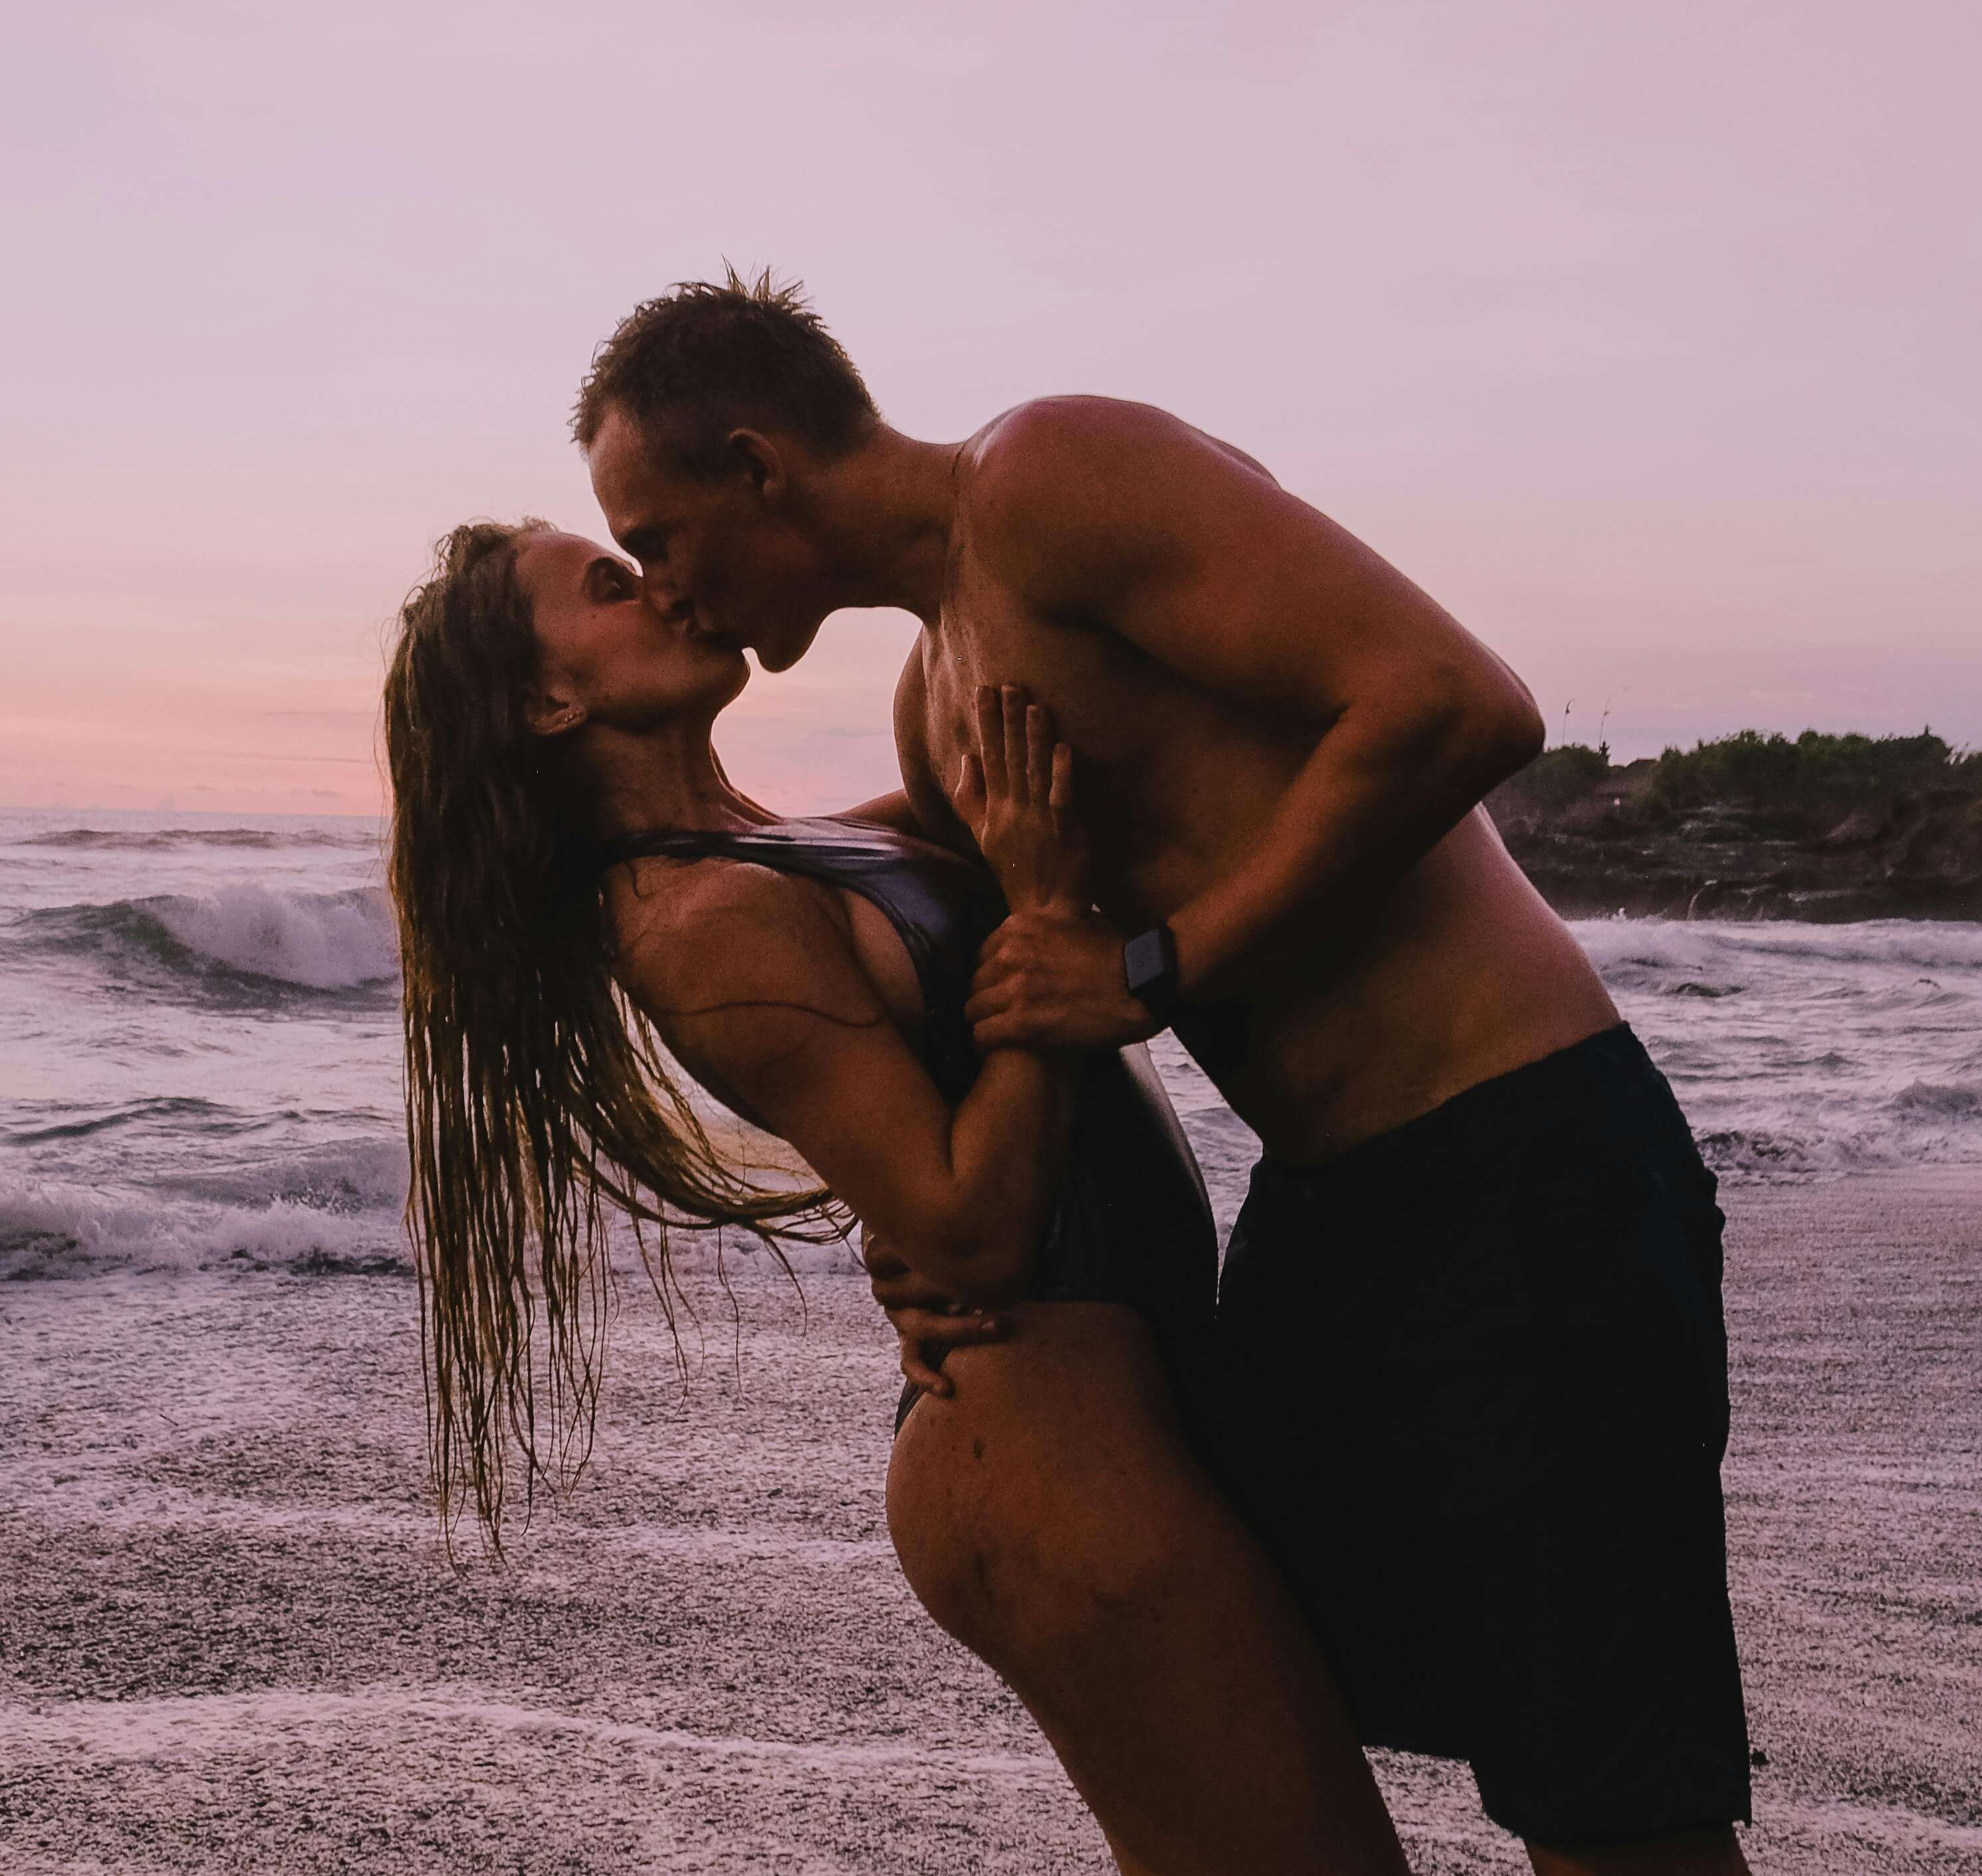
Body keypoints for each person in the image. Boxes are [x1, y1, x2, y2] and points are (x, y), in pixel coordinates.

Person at [575, 275, 1753, 1876]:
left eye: (654, 536)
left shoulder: (1053, 477)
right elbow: (861, 904)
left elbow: (1457, 701)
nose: (666, 586)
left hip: (1516, 1161)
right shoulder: (940, 699)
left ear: (756, 465)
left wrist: (1152, 969)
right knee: (1307, 1734)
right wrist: (911, 1214)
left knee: (1610, 1798)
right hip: (1329, 1219)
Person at [380, 517, 1413, 1875]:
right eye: (613, 585)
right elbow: (971, 1229)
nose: (669, 590)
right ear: (549, 697)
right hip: (1037, 1452)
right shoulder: (697, 923)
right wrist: (1041, 917)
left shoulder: (777, 846)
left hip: (1102, 1408)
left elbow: (978, 907)